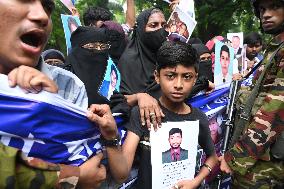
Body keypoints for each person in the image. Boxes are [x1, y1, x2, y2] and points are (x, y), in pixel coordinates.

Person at [0, 0, 126, 188]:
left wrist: (55, 105)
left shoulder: (70, 85)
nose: (43, 16)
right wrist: (73, 175)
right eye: (90, 48)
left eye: (47, 7)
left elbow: (96, 171)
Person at [114, 41, 218, 189]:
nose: (178, 84)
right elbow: (121, 173)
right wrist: (110, 138)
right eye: (170, 76)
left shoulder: (199, 117)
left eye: (187, 77)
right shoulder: (144, 114)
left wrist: (196, 181)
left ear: (195, 78)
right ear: (157, 76)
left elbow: (213, 157)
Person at [219, 0, 284, 188]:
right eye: (262, 9)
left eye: (275, 6)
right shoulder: (276, 48)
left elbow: (274, 112)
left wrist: (236, 159)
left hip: (265, 164)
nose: (266, 14)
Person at [118, 8, 168, 129]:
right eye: (153, 25)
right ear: (141, 29)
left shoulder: (167, 56)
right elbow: (118, 101)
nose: (160, 29)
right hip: (137, 131)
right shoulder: (129, 60)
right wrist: (139, 97)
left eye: (163, 25)